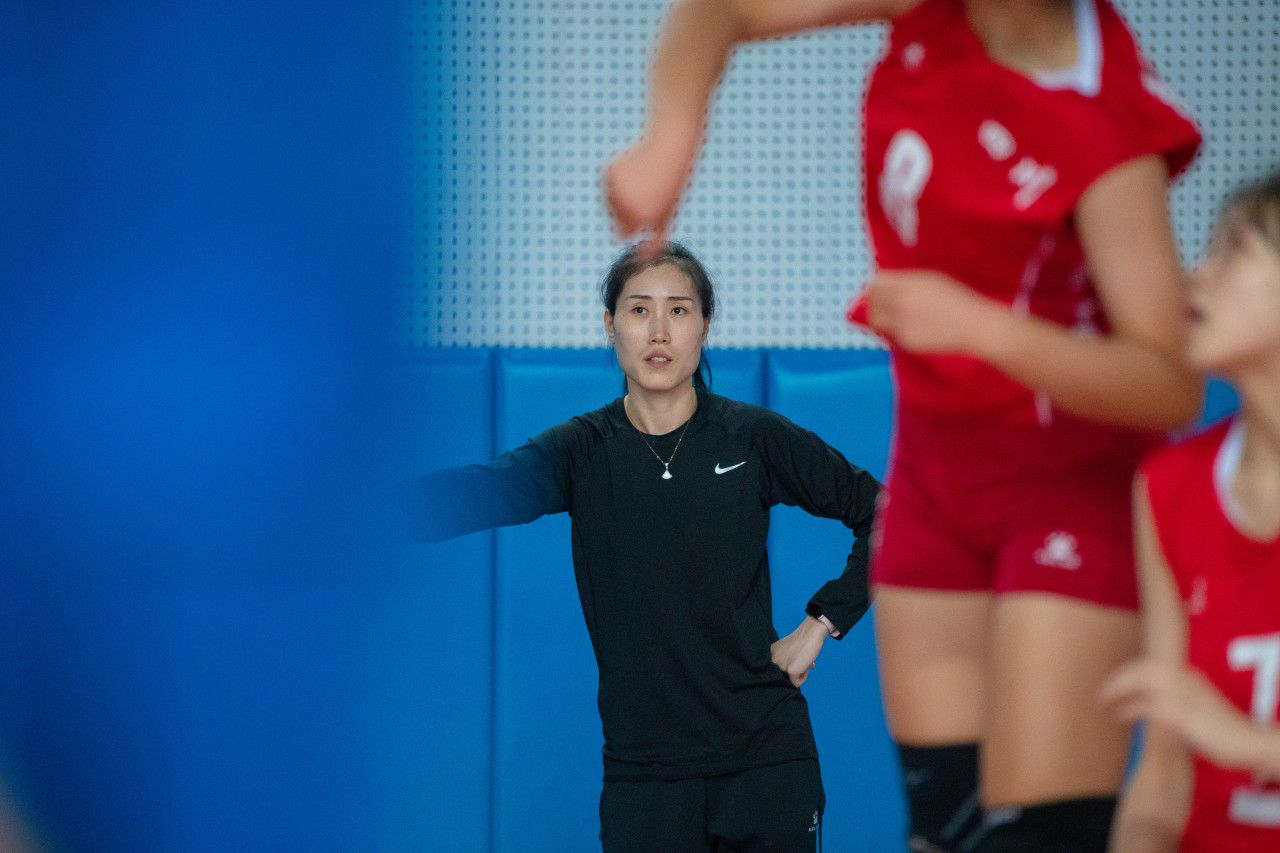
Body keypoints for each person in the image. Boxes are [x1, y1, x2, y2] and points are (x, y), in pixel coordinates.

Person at [604, 1, 1201, 849]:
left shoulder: (1101, 113)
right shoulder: (934, 12)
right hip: (934, 473)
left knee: (1037, 834)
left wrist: (982, 328)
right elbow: (723, 8)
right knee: (945, 827)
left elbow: (1170, 384)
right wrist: (669, 140)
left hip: (1064, 486)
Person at [414, 242, 881, 852]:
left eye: (679, 310)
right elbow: (472, 494)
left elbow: (889, 516)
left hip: (766, 765)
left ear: (705, 326)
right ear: (610, 325)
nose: (659, 331)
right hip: (645, 779)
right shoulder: (581, 450)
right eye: (639, 310)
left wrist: (822, 622)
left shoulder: (752, 438)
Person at [1101, 172, 1280, 853]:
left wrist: (1245, 742)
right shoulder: (1170, 484)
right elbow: (1162, 779)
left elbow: (1215, 731)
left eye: (1232, 251)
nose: (1196, 276)